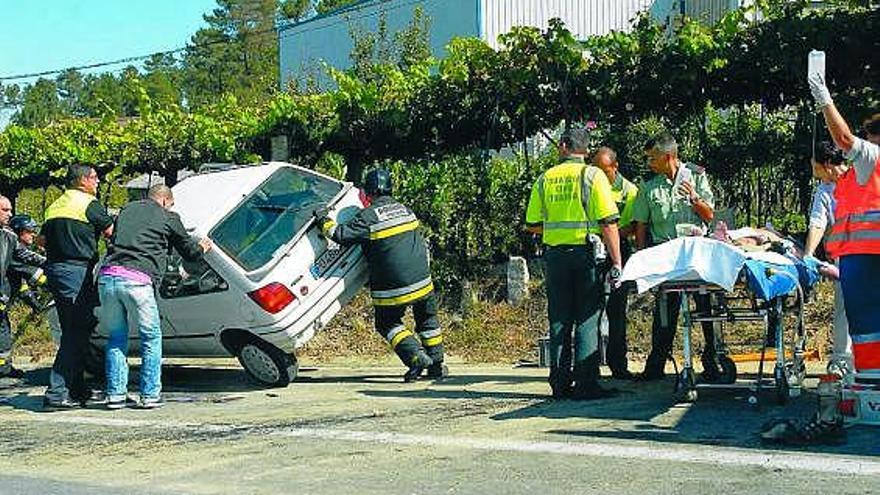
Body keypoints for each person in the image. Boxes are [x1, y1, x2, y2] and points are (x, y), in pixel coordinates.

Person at [314, 168, 447, 382]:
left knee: (387, 323)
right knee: (427, 319)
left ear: (367, 193)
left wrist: (322, 219)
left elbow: (339, 235)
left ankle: (415, 357)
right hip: (423, 280)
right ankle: (437, 364)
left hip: (393, 285)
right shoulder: (405, 210)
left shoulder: (368, 217)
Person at [525, 128, 623, 400]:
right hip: (586, 255)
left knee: (559, 318)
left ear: (563, 146)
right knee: (588, 318)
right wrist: (617, 262)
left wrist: (558, 234)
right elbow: (608, 222)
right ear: (585, 150)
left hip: (555, 257)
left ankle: (559, 383)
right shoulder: (593, 176)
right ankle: (586, 383)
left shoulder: (545, 179)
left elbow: (532, 224)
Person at [98, 185, 211, 409]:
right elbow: (188, 251)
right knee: (150, 337)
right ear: (165, 201)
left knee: (116, 338)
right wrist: (202, 247)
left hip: (108, 277)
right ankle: (149, 395)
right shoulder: (169, 216)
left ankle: (115, 396)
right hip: (137, 280)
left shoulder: (126, 210)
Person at [632, 132, 719, 382]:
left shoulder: (696, 176)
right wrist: (641, 256)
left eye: (653, 158)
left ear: (668, 156)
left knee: (706, 307)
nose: (649, 163)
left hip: (696, 254)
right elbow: (641, 225)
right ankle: (656, 363)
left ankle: (713, 359)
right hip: (665, 256)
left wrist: (693, 197)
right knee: (664, 312)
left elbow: (710, 215)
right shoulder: (649, 186)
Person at [809, 72, 880, 381]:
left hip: (866, 259)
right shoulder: (857, 174)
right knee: (866, 328)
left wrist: (824, 99)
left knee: (865, 326)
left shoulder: (872, 157)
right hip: (860, 259)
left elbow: (844, 139)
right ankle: (870, 382)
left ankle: (871, 383)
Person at [42, 164, 114, 409]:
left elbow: (42, 240)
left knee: (77, 329)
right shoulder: (87, 203)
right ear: (82, 180)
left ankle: (78, 389)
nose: (98, 182)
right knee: (76, 332)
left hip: (56, 269)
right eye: (94, 178)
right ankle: (56, 392)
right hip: (76, 272)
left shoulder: (55, 205)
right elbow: (112, 231)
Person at [803, 142, 852, 377]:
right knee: (844, 309)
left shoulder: (860, 178)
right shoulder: (824, 190)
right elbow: (818, 222)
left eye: (816, 167)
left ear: (829, 165)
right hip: (845, 257)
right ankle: (842, 360)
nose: (814, 172)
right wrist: (809, 254)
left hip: (870, 250)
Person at [592, 146, 638, 380]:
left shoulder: (629, 191)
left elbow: (633, 225)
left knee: (617, 310)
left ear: (615, 166)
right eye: (596, 169)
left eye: (604, 170)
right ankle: (589, 366)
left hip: (619, 252)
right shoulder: (590, 186)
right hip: (593, 251)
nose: (599, 174)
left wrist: (611, 235)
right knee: (591, 309)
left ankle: (618, 364)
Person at [0, 197, 46, 379]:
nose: (10, 214)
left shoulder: (8, 237)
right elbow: (30, 273)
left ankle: (4, 366)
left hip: (3, 297)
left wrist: (54, 263)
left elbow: (22, 284)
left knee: (3, 329)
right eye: (5, 210)